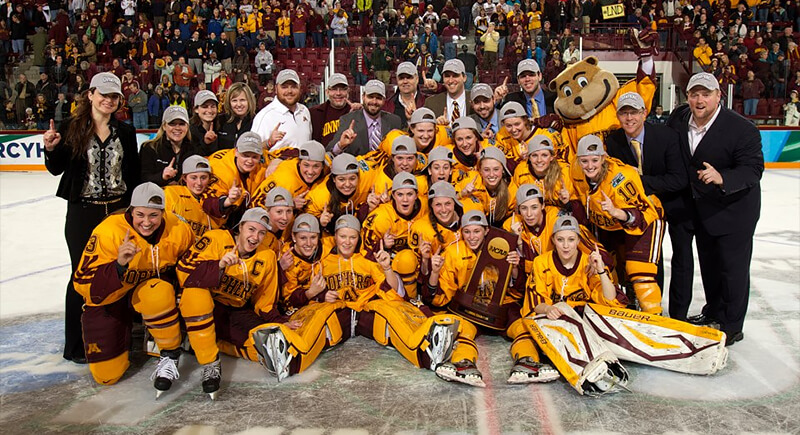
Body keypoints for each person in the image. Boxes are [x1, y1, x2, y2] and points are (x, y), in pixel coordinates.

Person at [43, 72, 141, 365]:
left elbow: (133, 174)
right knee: (81, 274)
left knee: (119, 272)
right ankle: (75, 344)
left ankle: (118, 338)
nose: (108, 100)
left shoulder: (125, 131)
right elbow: (56, 169)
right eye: (103, 95)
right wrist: (50, 148)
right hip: (83, 212)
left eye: (114, 96)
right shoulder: (71, 127)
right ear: (90, 95)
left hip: (117, 211)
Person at [666, 73, 764, 346]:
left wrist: (723, 178)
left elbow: (753, 169)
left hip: (734, 211)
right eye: (694, 94)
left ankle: (732, 326)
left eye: (706, 94)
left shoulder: (741, 129)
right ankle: (713, 311)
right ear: (687, 96)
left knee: (732, 270)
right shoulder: (678, 118)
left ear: (719, 96)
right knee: (710, 266)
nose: (700, 100)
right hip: (701, 209)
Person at [72, 182, 194, 394]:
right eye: (140, 215)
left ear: (163, 213)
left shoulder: (179, 228)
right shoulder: (109, 231)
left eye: (153, 215)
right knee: (107, 376)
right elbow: (83, 285)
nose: (146, 222)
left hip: (149, 291)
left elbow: (193, 265)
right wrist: (118, 266)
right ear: (131, 211)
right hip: (110, 297)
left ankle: (170, 351)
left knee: (158, 293)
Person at [426, 210, 560, 385]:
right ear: (461, 232)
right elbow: (441, 296)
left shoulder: (502, 247)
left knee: (522, 326)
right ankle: (462, 363)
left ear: (486, 231)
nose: (472, 237)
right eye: (467, 231)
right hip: (470, 308)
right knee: (464, 330)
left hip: (501, 308)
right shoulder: (453, 252)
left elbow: (518, 291)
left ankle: (528, 362)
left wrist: (514, 269)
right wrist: (435, 273)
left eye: (477, 231)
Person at [176, 207, 291, 398]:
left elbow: (265, 299)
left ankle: (205, 342)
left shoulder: (267, 256)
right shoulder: (215, 238)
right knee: (195, 296)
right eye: (251, 229)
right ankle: (208, 358)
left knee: (266, 344)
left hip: (237, 310)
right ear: (240, 227)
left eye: (262, 233)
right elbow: (183, 273)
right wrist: (219, 266)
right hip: (209, 306)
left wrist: (279, 322)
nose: (255, 237)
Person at [568, 135, 663, 315]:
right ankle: (623, 307)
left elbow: (640, 214)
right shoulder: (575, 169)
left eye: (594, 160)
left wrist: (616, 212)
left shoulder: (621, 178)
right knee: (607, 265)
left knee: (639, 270)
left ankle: (653, 315)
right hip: (608, 223)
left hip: (643, 219)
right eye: (584, 161)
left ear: (603, 158)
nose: (589, 166)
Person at [605, 92, 688, 297]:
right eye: (624, 113)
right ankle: (634, 299)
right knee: (637, 257)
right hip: (635, 210)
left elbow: (678, 179)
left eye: (634, 112)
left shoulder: (666, 136)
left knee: (668, 258)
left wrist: (638, 181)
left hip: (668, 205)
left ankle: (664, 306)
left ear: (644, 113)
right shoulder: (613, 141)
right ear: (617, 116)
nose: (629, 118)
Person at [204, 132, 268, 227]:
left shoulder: (263, 161)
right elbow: (205, 202)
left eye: (254, 157)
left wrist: (276, 161)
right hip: (212, 222)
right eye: (245, 155)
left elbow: (285, 154)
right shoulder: (220, 169)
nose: (250, 161)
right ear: (236, 152)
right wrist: (227, 201)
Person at [328, 80, 402, 157]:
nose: (374, 102)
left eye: (378, 98)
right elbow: (330, 151)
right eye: (370, 97)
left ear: (384, 100)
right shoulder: (347, 120)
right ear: (363, 97)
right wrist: (340, 145)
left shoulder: (394, 121)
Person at [164, 155, 224, 239]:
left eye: (203, 178)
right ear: (185, 178)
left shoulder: (214, 201)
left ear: (209, 179)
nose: (199, 183)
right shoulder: (171, 193)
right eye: (193, 178)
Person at [252, 69, 312, 151]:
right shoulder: (265, 116)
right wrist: (269, 143)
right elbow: (252, 150)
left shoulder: (304, 111)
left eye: (294, 87)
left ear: (299, 88)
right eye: (284, 87)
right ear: (276, 89)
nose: (289, 91)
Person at [455, 146, 514, 227]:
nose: (491, 174)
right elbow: (446, 203)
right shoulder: (471, 179)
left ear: (503, 170)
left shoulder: (512, 189)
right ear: (480, 170)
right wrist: (461, 194)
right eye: (486, 170)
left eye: (496, 169)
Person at [140, 106, 197, 187]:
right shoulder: (149, 148)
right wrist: (162, 176)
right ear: (164, 126)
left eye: (182, 124)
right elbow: (142, 179)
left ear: (187, 127)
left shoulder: (194, 148)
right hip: (157, 193)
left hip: (185, 194)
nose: (177, 128)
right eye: (172, 124)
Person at [382, 62, 434, 129]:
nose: (405, 81)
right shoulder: (386, 105)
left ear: (417, 79)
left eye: (409, 77)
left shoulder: (428, 102)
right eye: (401, 78)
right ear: (397, 80)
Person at [310, 73, 356, 147]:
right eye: (334, 89)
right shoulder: (314, 113)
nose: (338, 93)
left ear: (348, 91)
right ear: (327, 92)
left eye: (342, 89)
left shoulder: (356, 113)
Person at [424, 59, 472, 125]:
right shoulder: (431, 103)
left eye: (455, 75)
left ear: (464, 78)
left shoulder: (475, 100)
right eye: (447, 76)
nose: (450, 80)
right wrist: (435, 126)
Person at [216, 82, 256, 150]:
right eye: (234, 101)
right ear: (229, 102)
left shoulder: (256, 121)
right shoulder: (220, 120)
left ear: (249, 101)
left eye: (242, 100)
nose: (239, 104)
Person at [189, 90, 220, 156]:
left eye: (213, 106)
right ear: (196, 109)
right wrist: (206, 143)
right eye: (205, 107)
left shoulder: (221, 126)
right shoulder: (189, 131)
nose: (210, 110)